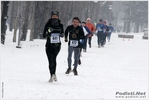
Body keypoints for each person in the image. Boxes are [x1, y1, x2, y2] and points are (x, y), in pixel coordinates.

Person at [43, 11, 64, 82]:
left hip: (57, 45)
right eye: (53, 16)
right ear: (51, 16)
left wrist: (61, 34)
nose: (54, 17)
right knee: (50, 60)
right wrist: (48, 32)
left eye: (56, 16)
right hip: (49, 45)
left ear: (58, 17)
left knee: (53, 58)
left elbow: (62, 34)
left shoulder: (60, 25)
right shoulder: (48, 25)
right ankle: (52, 74)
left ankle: (53, 74)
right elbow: (43, 35)